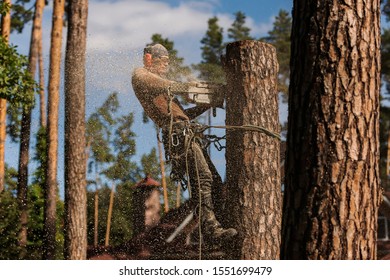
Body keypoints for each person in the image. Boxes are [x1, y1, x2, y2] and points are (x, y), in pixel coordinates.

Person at [131, 43, 237, 242]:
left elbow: (183, 116)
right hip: (178, 135)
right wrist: (193, 88)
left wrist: (206, 105)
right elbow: (170, 86)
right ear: (148, 59)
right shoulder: (141, 75)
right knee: (202, 177)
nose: (165, 65)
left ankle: (219, 222)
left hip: (185, 131)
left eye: (167, 62)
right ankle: (210, 229)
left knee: (213, 179)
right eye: (162, 61)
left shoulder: (162, 89)